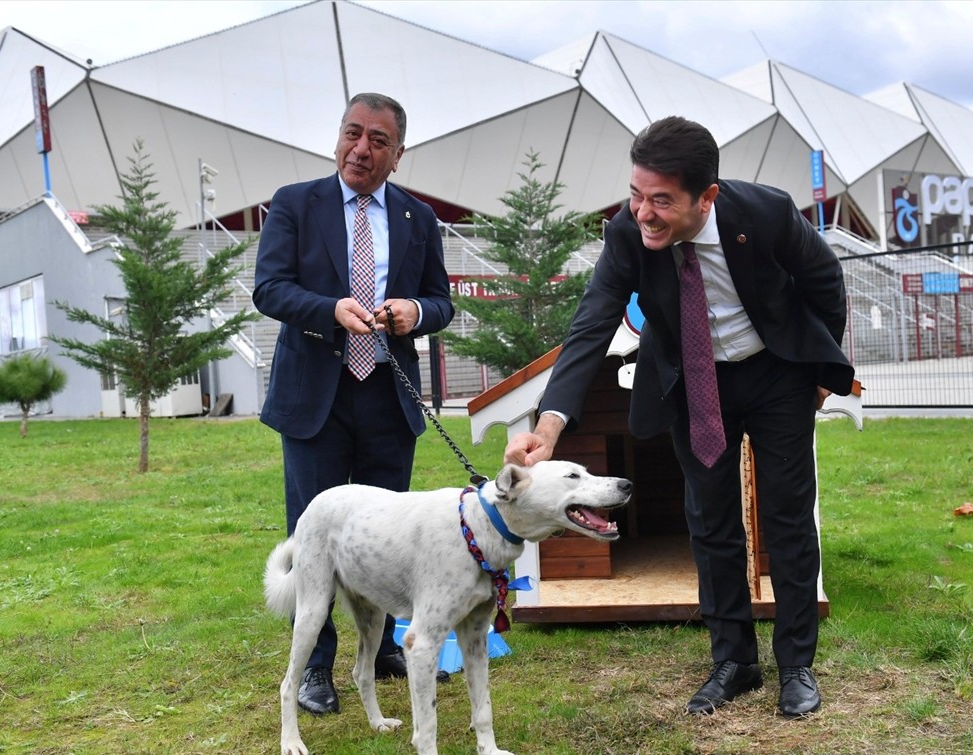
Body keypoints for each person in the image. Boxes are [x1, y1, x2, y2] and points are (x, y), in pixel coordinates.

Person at [504, 116, 854, 718]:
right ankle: (734, 661)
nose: (643, 213)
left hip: (774, 373)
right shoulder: (626, 232)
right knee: (710, 520)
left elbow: (825, 280)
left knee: (788, 517)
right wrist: (549, 425)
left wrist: (822, 372)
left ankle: (796, 664)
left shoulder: (766, 213)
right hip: (693, 380)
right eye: (636, 194)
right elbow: (593, 322)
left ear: (706, 197)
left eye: (662, 200)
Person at [253, 92, 455, 715]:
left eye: (378, 141)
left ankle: (386, 647)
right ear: (338, 137)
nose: (361, 149)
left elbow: (441, 301)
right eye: (352, 133)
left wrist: (414, 312)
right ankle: (315, 667)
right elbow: (269, 289)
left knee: (389, 534)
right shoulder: (294, 203)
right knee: (312, 534)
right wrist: (330, 310)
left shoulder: (419, 217)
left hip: (388, 398)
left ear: (398, 154)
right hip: (314, 398)